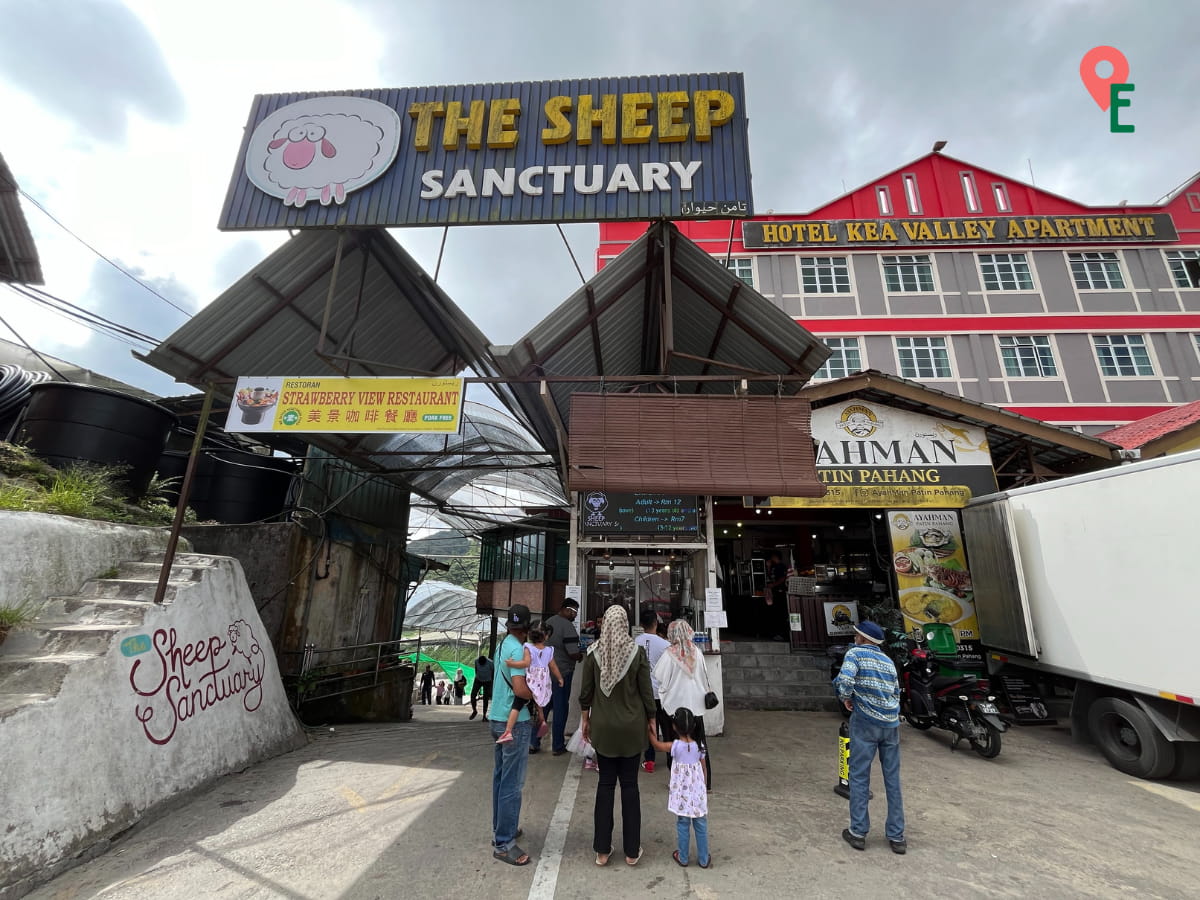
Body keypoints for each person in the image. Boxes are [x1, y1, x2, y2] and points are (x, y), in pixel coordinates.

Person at [579, 604, 656, 868]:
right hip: (633, 728)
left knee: (605, 786)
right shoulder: (638, 653)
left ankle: (602, 850)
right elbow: (647, 692)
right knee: (631, 786)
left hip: (603, 729)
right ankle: (632, 851)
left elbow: (586, 693)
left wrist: (585, 721)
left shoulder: (593, 653)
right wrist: (652, 720)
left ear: (605, 625)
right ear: (624, 623)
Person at [833, 620, 907, 855]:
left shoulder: (855, 654)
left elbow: (844, 681)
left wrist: (845, 698)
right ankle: (897, 837)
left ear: (863, 638)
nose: (854, 637)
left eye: (856, 634)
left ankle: (858, 832)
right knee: (892, 779)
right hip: (890, 724)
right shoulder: (888, 661)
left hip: (865, 722)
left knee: (859, 777)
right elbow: (895, 691)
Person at [489, 604, 536, 866]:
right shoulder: (518, 648)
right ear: (527, 627)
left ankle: (501, 829)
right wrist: (536, 694)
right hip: (515, 723)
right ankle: (504, 843)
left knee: (500, 779)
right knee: (512, 785)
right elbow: (520, 689)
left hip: (497, 719)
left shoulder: (503, 645)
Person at [653, 619, 714, 789]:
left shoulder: (669, 654)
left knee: (674, 747)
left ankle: (678, 782)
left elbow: (659, 677)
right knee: (700, 745)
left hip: (674, 709)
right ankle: (704, 782)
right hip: (696, 708)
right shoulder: (698, 653)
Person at [648, 707, 711, 868]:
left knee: (683, 823)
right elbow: (703, 767)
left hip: (682, 793)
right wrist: (703, 785)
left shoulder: (675, 746)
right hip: (697, 791)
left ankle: (683, 857)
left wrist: (649, 730)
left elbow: (656, 745)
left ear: (674, 726)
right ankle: (704, 859)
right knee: (700, 823)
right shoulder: (699, 745)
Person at [496, 625, 564, 744]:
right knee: (539, 700)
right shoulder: (549, 650)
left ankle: (508, 731)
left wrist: (512, 664)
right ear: (546, 637)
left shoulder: (528, 648)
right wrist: (560, 678)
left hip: (531, 681)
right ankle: (542, 720)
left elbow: (526, 663)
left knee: (517, 704)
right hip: (543, 682)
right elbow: (553, 666)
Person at [541, 598, 583, 755]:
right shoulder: (567, 626)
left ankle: (534, 742)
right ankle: (557, 745)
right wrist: (580, 656)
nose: (575, 615)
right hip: (562, 673)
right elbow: (573, 653)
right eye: (574, 612)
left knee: (543, 708)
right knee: (560, 709)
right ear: (566, 609)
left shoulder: (548, 622)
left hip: (545, 673)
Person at [634, 610, 671, 774]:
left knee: (648, 726)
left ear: (641, 625)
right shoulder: (665, 645)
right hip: (661, 692)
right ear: (656, 623)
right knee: (666, 726)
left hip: (642, 692)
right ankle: (672, 760)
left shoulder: (636, 641)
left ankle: (649, 761)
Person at [765, 550, 790, 641]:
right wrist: (768, 567)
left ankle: (782, 634)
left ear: (776, 557)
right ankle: (776, 633)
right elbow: (770, 577)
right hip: (774, 592)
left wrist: (774, 585)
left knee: (781, 613)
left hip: (780, 592)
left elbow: (783, 578)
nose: (771, 559)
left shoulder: (782, 566)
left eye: (772, 557)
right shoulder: (773, 567)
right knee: (775, 613)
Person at [470, 654, 494, 720]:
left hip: (487, 681)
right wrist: (478, 677)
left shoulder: (490, 663)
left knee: (485, 698)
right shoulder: (476, 661)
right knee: (472, 695)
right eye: (480, 664)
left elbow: (493, 672)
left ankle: (484, 715)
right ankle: (474, 710)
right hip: (478, 680)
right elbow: (476, 670)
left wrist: (491, 682)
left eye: (483, 664)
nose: (481, 665)